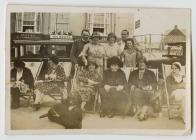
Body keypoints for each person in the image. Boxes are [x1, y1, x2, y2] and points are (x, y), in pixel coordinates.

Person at [68, 29, 90, 94]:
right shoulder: (76, 42)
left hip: (86, 67)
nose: (86, 36)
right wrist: (76, 63)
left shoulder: (90, 43)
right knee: (72, 80)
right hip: (76, 66)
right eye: (84, 35)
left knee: (85, 82)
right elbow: (72, 55)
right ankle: (69, 97)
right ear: (81, 35)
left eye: (87, 35)